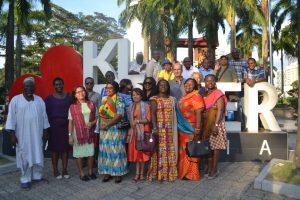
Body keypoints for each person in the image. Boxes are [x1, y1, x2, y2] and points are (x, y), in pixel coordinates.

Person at [6, 77, 50, 189]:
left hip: (37, 135)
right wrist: (12, 134)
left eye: (31, 86)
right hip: (22, 136)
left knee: (38, 154)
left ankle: (37, 175)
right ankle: (25, 179)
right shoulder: (16, 100)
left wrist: (45, 131)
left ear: (34, 88)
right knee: (24, 156)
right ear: (23, 88)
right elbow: (11, 118)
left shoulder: (40, 100)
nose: (29, 88)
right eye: (27, 86)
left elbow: (44, 117)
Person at [147, 80, 178, 182]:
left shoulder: (172, 99)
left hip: (169, 129)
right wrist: (155, 127)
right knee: (159, 150)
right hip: (159, 128)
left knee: (168, 149)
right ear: (158, 86)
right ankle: (159, 174)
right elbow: (153, 113)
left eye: (165, 85)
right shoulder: (154, 98)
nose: (163, 86)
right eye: (161, 85)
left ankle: (168, 173)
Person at [98, 81, 128, 183]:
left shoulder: (119, 99)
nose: (108, 90)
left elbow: (119, 115)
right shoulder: (104, 99)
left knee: (116, 150)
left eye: (110, 88)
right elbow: (101, 113)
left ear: (115, 89)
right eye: (106, 88)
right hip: (104, 130)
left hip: (115, 129)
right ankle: (108, 172)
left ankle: (118, 173)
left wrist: (107, 124)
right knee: (106, 151)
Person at [68, 86, 98, 181]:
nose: (81, 93)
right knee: (79, 154)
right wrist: (70, 136)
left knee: (91, 153)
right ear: (75, 95)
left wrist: (92, 123)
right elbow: (70, 122)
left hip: (89, 133)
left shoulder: (92, 104)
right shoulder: (72, 107)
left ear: (85, 92)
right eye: (78, 92)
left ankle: (90, 172)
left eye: (82, 91)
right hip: (77, 134)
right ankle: (81, 173)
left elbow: (97, 117)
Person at [177, 78, 205, 180]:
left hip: (192, 128)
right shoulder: (183, 97)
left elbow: (198, 113)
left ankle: (192, 174)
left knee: (191, 149)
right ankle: (183, 172)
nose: (188, 85)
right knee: (183, 150)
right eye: (186, 84)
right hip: (182, 128)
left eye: (191, 84)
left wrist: (197, 128)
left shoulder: (196, 96)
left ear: (195, 86)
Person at [45, 77, 72, 179]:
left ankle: (65, 169)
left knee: (65, 150)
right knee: (54, 150)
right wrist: (46, 131)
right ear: (54, 86)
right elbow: (45, 115)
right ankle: (55, 170)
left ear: (63, 84)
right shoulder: (48, 99)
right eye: (56, 84)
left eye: (60, 84)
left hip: (66, 126)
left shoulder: (69, 97)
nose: (58, 86)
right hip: (53, 128)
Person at [202, 74, 227, 179]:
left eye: (212, 80)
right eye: (207, 81)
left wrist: (216, 125)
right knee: (209, 147)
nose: (210, 82)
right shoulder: (204, 94)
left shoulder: (218, 93)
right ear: (205, 83)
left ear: (215, 82)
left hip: (215, 124)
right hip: (206, 124)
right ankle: (210, 166)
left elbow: (220, 110)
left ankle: (215, 169)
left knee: (216, 148)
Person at [127, 88, 151, 182]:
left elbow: (148, 119)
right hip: (134, 132)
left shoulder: (145, 105)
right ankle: (137, 173)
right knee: (137, 153)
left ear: (141, 95)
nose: (135, 96)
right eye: (133, 95)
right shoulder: (131, 106)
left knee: (142, 152)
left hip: (143, 131)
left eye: (137, 94)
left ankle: (141, 173)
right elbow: (130, 120)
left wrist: (137, 121)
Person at [84, 77, 101, 167]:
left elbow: (100, 109)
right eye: (87, 83)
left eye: (91, 83)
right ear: (85, 84)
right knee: (83, 141)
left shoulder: (97, 95)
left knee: (93, 142)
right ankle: (84, 160)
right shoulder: (81, 94)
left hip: (93, 122)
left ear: (93, 84)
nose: (89, 84)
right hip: (83, 122)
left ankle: (92, 161)